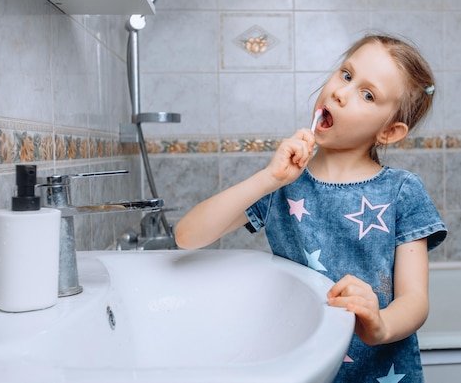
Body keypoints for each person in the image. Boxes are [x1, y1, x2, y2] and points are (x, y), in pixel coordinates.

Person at [175, 34, 447, 383]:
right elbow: (187, 236)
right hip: (301, 363)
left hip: (381, 372)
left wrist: (380, 326)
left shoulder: (401, 192)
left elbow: (415, 300)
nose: (340, 92)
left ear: (390, 132)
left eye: (367, 95)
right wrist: (268, 179)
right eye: (346, 75)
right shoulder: (283, 182)